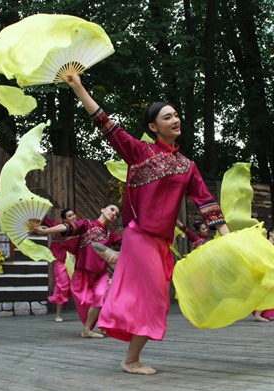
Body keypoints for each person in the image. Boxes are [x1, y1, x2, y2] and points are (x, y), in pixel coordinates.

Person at [65, 74, 229, 375]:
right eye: (168, 117)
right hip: (140, 235)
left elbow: (205, 200)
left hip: (161, 243)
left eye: (177, 114)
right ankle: (130, 360)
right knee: (154, 296)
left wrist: (226, 236)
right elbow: (105, 123)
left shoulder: (187, 165)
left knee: (158, 299)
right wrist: (78, 86)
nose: (176, 119)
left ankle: (120, 265)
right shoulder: (139, 152)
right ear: (153, 127)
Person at [36, 205, 122, 337]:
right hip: (82, 274)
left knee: (101, 295)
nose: (113, 214)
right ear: (102, 209)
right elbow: (67, 227)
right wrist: (44, 232)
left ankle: (87, 330)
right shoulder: (86, 225)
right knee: (86, 302)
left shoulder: (111, 235)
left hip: (100, 275)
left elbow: (129, 243)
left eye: (116, 214)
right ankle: (99, 325)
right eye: (111, 210)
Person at [39, 208, 86, 322]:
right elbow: (44, 220)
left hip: (75, 262)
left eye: (73, 214)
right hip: (61, 262)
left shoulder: (80, 229)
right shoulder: (58, 227)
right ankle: (58, 314)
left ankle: (85, 313)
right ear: (65, 219)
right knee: (62, 286)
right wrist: (44, 207)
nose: (73, 217)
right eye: (70, 216)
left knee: (80, 287)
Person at [254, 227, 274, 322]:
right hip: (266, 273)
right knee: (265, 292)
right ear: (271, 234)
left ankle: (262, 314)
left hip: (271, 272)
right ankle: (258, 315)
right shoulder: (266, 244)